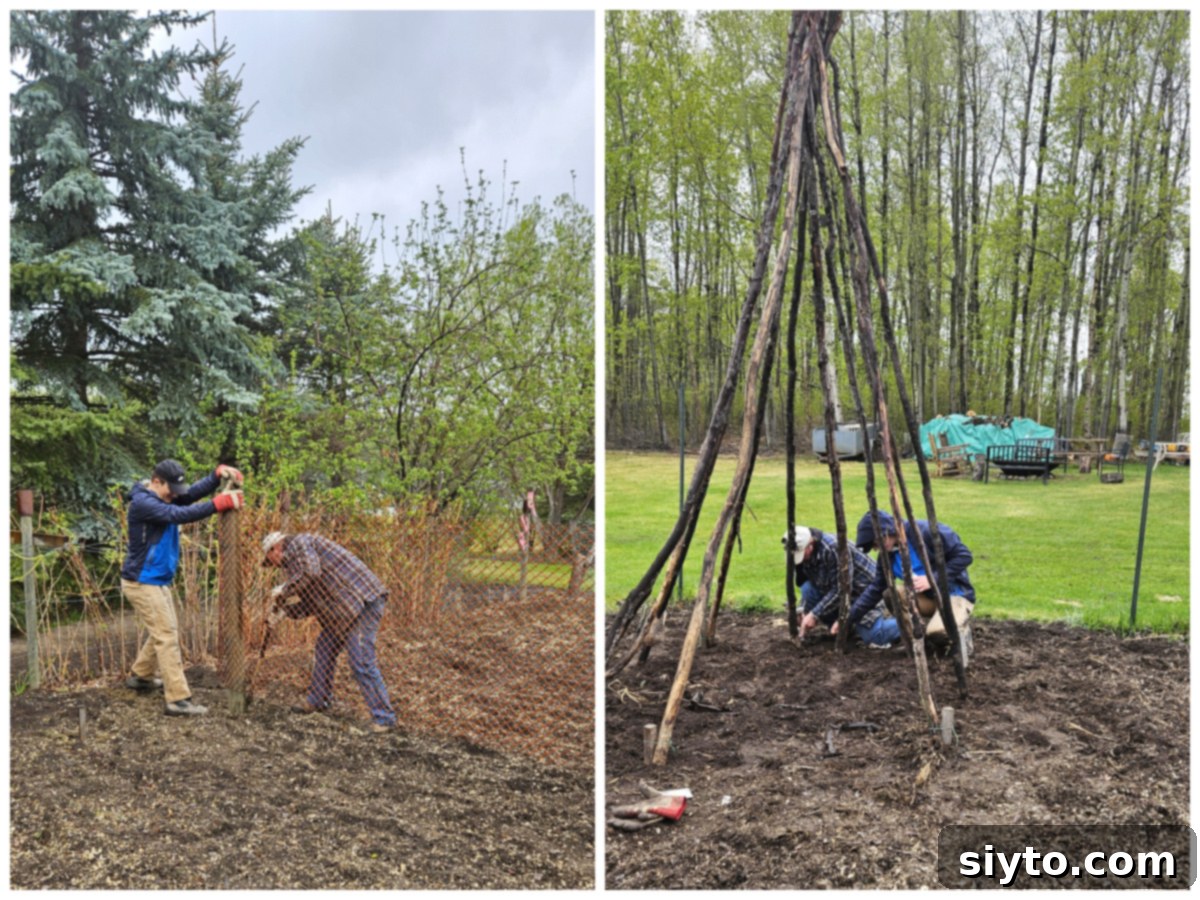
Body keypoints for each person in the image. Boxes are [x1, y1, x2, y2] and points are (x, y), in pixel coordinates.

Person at [121, 459, 245, 716]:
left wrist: (215, 476)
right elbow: (176, 515)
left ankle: (141, 676)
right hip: (142, 581)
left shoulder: (163, 497)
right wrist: (217, 505)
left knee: (165, 630)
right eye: (170, 489)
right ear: (156, 481)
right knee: (166, 635)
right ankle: (177, 700)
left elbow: (187, 498)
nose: (175, 495)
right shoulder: (144, 503)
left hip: (155, 580)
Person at [262, 531, 398, 733]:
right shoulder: (295, 566)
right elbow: (310, 604)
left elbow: (311, 572)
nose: (273, 565)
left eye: (269, 560)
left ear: (274, 549)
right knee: (324, 649)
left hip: (362, 602)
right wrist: (284, 612)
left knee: (361, 661)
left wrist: (284, 589)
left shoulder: (299, 544)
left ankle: (384, 718)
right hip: (344, 611)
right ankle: (319, 700)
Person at [850, 510, 975, 664]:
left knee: (938, 634)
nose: (876, 549)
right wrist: (850, 617)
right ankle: (914, 643)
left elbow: (964, 555)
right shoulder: (887, 556)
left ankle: (961, 632)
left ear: (885, 531)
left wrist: (932, 579)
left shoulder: (926, 531)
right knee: (892, 593)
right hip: (928, 599)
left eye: (875, 543)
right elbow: (876, 588)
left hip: (955, 596)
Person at [782, 525, 901, 648]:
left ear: (810, 544)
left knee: (875, 635)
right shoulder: (802, 557)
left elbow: (841, 590)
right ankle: (846, 629)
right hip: (837, 593)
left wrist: (814, 614)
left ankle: (913, 625)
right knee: (807, 588)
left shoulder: (834, 549)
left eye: (802, 553)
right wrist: (804, 609)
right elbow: (807, 585)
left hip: (864, 594)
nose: (800, 559)